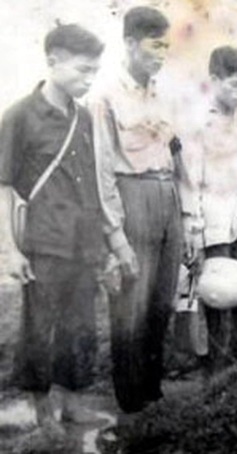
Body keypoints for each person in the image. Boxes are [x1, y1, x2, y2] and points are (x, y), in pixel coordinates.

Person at [0, 24, 107, 437]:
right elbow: (5, 188)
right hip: (43, 242)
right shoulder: (19, 117)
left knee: (81, 326)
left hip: (85, 242)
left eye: (95, 71)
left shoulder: (83, 117)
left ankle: (74, 405)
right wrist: (10, 250)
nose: (89, 79)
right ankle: (42, 411)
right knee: (39, 327)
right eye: (83, 70)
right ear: (53, 62)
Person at [89, 6, 183, 414]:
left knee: (162, 302)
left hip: (167, 198)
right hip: (132, 197)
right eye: (153, 45)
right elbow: (101, 172)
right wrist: (115, 236)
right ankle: (130, 404)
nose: (161, 54)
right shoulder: (104, 98)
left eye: (166, 45)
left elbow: (172, 153)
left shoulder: (163, 93)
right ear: (129, 43)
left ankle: (153, 390)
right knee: (132, 305)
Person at [180, 45, 237, 372]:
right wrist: (194, 232)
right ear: (215, 79)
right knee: (218, 302)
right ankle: (217, 375)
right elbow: (191, 182)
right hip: (216, 227)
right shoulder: (199, 123)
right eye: (235, 84)